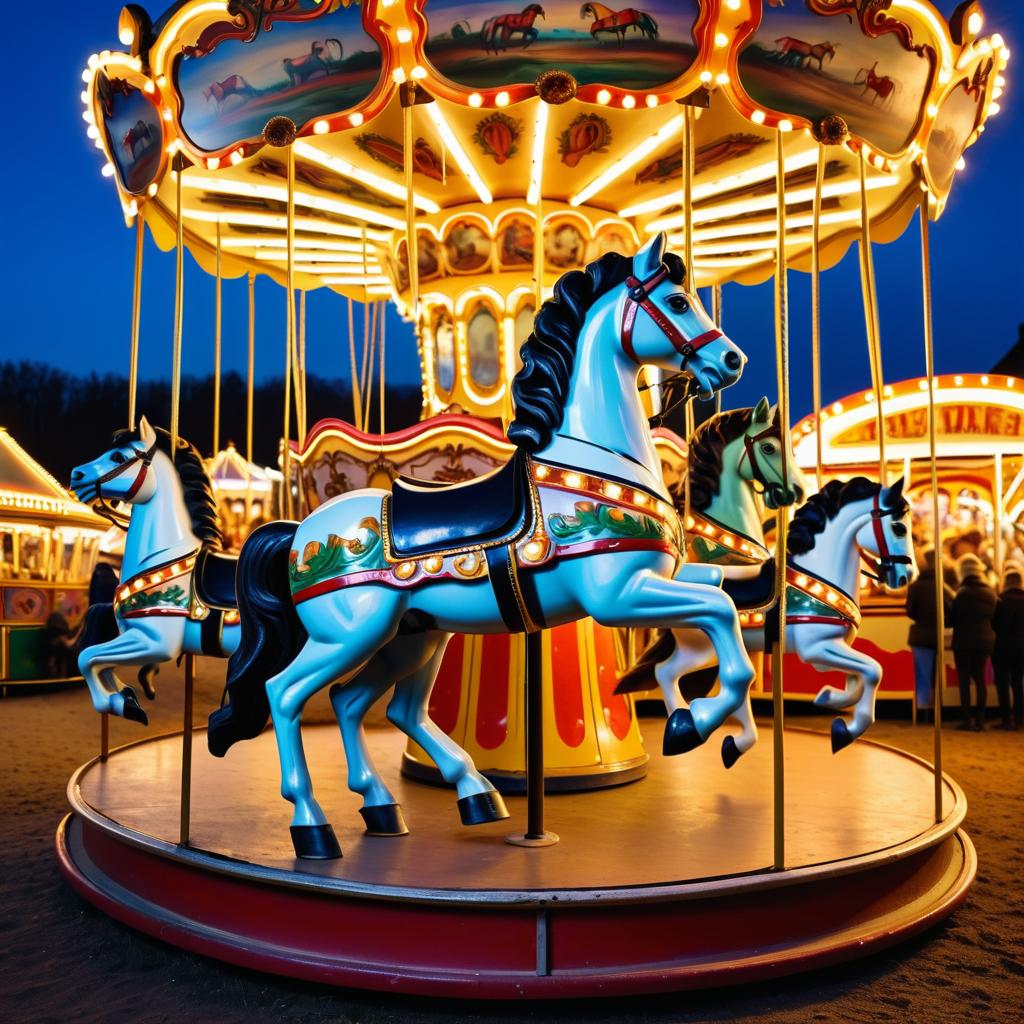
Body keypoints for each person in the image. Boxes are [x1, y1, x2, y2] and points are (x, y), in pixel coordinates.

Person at [949, 553, 997, 731]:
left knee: (964, 680)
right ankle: (981, 719)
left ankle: (967, 718)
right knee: (980, 680)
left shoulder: (961, 594)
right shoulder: (990, 593)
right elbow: (995, 618)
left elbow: (952, 619)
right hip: (985, 641)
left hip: (963, 641)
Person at [905, 548, 953, 722]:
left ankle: (924, 712)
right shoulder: (942, 587)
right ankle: (939, 711)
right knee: (938, 676)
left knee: (923, 675)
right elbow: (950, 609)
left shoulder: (915, 587)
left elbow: (910, 611)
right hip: (939, 635)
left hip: (920, 635)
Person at [993, 569, 1024, 730]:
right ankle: (1019, 718)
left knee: (1002, 683)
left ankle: (1006, 719)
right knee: (1018, 683)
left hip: (1002, 646)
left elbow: (994, 624)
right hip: (1021, 646)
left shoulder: (1000, 600)